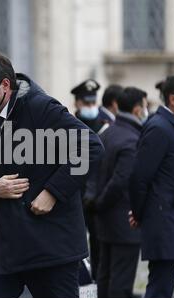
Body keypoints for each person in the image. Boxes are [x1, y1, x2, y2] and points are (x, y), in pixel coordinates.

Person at [0, 51, 104, 298]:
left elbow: (90, 146)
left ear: (5, 85)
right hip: (2, 244)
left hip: (50, 244)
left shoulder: (41, 107)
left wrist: (52, 192)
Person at [129, 76, 174, 298]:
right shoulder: (160, 128)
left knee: (169, 287)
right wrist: (140, 213)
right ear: (173, 99)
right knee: (160, 289)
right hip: (166, 221)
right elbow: (139, 177)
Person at [94, 87, 147, 298]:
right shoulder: (132, 139)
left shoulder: (109, 132)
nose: (146, 111)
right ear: (136, 110)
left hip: (105, 219)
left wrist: (96, 204)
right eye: (144, 106)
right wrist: (102, 203)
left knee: (105, 275)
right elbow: (120, 182)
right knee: (121, 282)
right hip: (123, 220)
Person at [71, 79, 109, 281]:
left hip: (96, 197)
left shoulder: (104, 127)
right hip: (74, 193)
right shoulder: (66, 124)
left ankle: (97, 282)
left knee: (98, 242)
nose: (91, 108)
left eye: (93, 103)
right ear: (77, 103)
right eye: (86, 103)